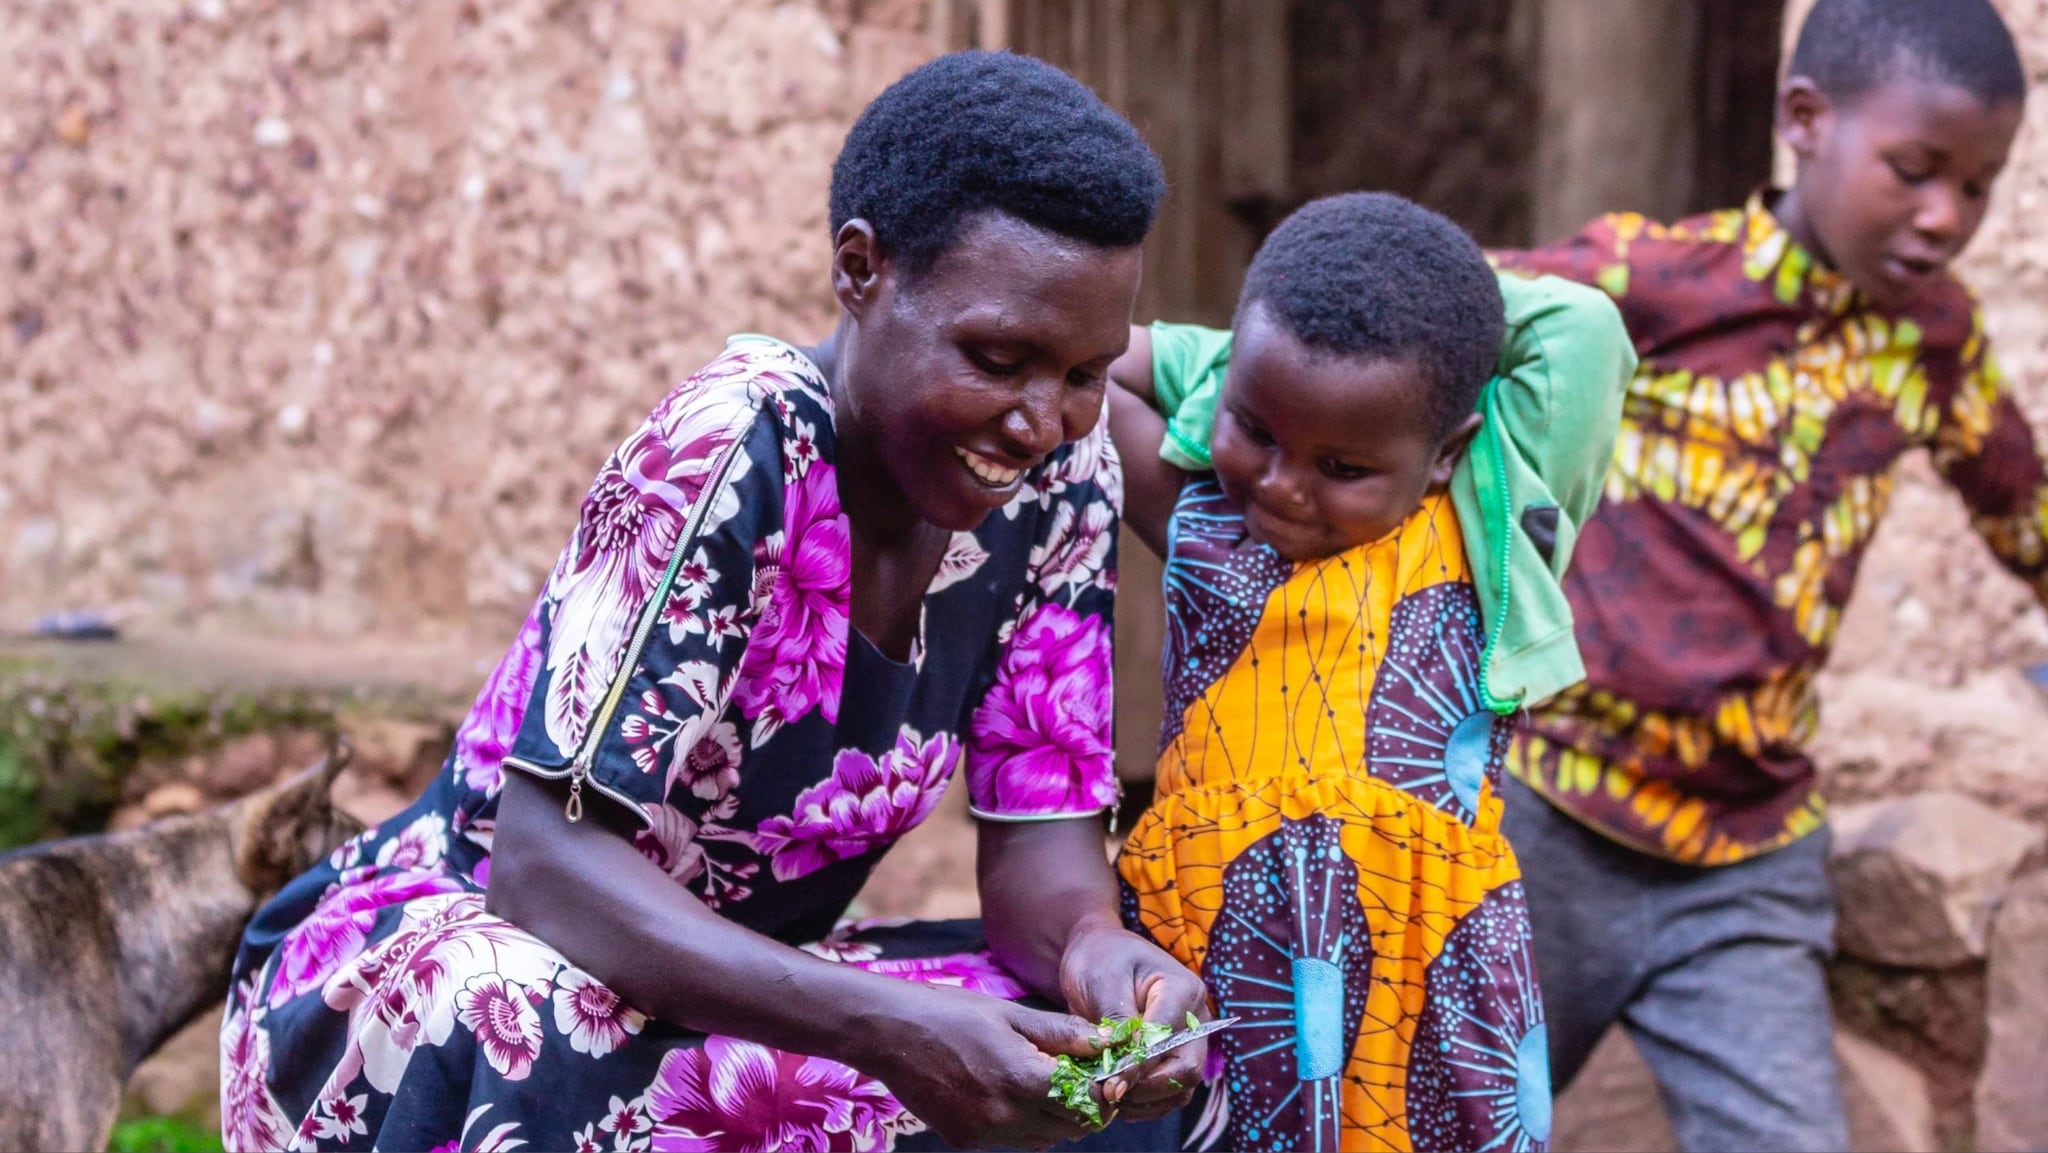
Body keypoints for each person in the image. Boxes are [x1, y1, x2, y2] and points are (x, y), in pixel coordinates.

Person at [219, 51, 1211, 1153]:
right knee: (528, 1027)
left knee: (1098, 1077)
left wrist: (1100, 959)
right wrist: (891, 1028)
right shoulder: (737, 442)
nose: (1039, 420)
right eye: (995, 356)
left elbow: (1041, 860)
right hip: (457, 955)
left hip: (731, 992)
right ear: (859, 270)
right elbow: (543, 872)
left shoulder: (1061, 488)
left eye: (1082, 374)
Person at [1485, 0, 2046, 1148]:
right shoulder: (1650, 277)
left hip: (1745, 859)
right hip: (1543, 816)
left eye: (1978, 187)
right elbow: (1430, 320)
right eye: (1913, 169)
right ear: (1803, 120)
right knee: (1448, 1122)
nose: (1945, 217)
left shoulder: (1932, 342)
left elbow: (2027, 518)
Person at [1104, 192, 1633, 1152]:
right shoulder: (1206, 519)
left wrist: (1424, 318)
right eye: (1255, 429)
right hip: (1206, 949)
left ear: (1444, 454)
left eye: (1343, 465)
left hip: (1423, 968)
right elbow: (1089, 353)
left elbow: (1585, 328)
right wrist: (1252, 343)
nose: (1281, 482)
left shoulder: (1489, 521)